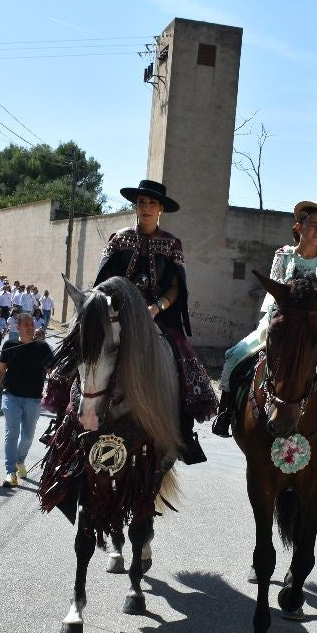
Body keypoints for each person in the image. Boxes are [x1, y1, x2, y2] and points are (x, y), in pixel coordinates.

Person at [213, 200, 317, 440]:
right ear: (298, 227)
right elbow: (275, 290)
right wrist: (278, 322)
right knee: (235, 355)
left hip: (316, 327)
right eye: (313, 225)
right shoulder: (283, 255)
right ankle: (225, 411)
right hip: (280, 323)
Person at [90, 178, 217, 463]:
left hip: (157, 317)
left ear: (161, 208)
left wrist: (156, 307)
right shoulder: (119, 238)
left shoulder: (172, 244)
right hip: (117, 314)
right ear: (136, 206)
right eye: (140, 203)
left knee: (182, 354)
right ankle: (66, 416)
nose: (145, 208)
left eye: (151, 203)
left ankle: (184, 431)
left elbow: (176, 286)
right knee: (82, 347)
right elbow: (102, 281)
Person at [0, 311, 54, 487]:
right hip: (11, 396)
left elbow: (52, 372)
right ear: (18, 328)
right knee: (12, 433)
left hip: (33, 399)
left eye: (32, 324)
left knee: (28, 437)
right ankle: (10, 472)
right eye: (26, 324)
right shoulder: (10, 345)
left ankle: (20, 461)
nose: (31, 326)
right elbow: (0, 370)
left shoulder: (42, 348)